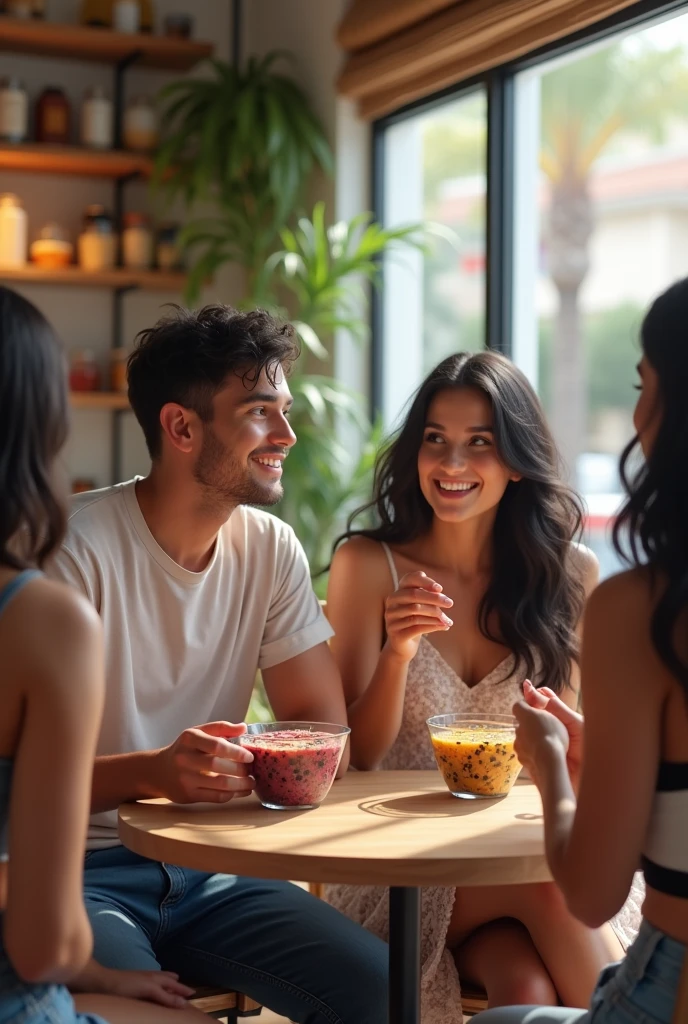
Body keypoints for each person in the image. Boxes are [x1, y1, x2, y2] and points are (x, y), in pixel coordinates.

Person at [47, 303, 388, 1024]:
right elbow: (16, 777)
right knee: (147, 1009)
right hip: (82, 874)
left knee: (386, 994)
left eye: (285, 410)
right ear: (181, 428)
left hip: (215, 871)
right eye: (261, 412)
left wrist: (248, 766)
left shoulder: (271, 548)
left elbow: (321, 732)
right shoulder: (74, 550)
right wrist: (155, 772)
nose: (288, 435)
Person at [324, 351, 638, 1023]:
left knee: (526, 995)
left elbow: (586, 753)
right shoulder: (367, 564)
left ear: (518, 461)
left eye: (479, 445)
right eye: (435, 441)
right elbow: (355, 759)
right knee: (557, 895)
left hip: (521, 856)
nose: (452, 465)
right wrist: (397, 656)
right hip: (399, 869)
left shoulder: (571, 576)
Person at [473, 279, 688, 1022]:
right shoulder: (379, 564)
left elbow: (593, 892)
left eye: (642, 383)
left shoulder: (643, 611)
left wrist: (551, 770)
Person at [0, 284, 208, 1023]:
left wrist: (97, 971)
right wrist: (82, 965)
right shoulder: (43, 620)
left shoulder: (269, 549)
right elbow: (40, 949)